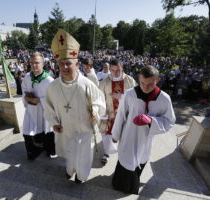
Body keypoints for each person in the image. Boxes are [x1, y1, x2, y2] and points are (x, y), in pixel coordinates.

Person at [44, 29, 105, 183]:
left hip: (84, 129)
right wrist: (54, 123)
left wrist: (96, 110)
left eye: (68, 64)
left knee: (83, 155)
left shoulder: (87, 84)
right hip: (66, 129)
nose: (64, 67)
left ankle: (81, 176)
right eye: (61, 64)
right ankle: (70, 170)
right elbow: (48, 106)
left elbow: (99, 100)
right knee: (69, 153)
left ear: (77, 64)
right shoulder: (53, 86)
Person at [111, 65, 176, 194]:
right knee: (125, 161)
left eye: (150, 84)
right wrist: (116, 134)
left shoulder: (164, 99)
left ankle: (132, 186)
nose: (145, 87)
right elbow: (121, 115)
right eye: (142, 83)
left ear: (157, 80)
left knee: (140, 160)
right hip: (128, 135)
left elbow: (169, 121)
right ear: (139, 79)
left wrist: (152, 121)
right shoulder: (130, 94)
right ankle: (119, 185)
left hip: (145, 138)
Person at [98, 58, 137, 165]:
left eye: (117, 70)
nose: (115, 73)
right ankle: (107, 153)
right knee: (106, 135)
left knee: (125, 136)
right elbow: (100, 99)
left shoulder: (130, 81)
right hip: (110, 114)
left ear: (122, 68)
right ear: (109, 69)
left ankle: (123, 156)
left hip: (126, 115)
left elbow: (137, 98)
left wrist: (121, 96)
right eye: (113, 70)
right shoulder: (105, 82)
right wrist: (103, 113)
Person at [21, 52, 56, 160]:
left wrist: (40, 100)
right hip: (31, 110)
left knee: (47, 131)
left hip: (44, 111)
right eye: (31, 63)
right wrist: (26, 98)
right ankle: (33, 153)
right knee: (28, 131)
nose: (34, 65)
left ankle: (49, 150)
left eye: (37, 63)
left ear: (42, 63)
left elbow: (54, 99)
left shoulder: (49, 80)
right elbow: (24, 90)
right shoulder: (27, 77)